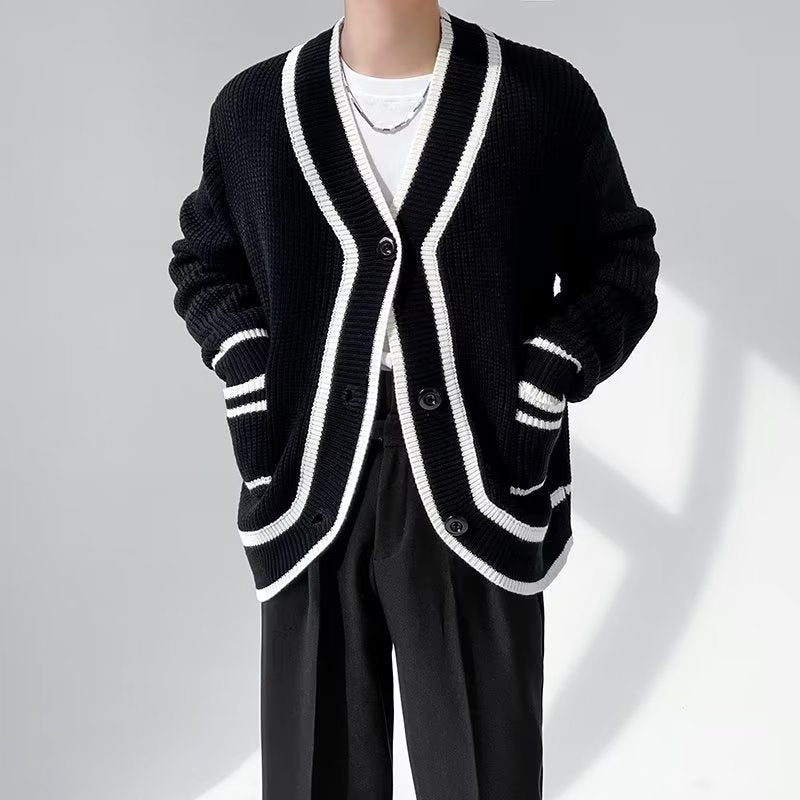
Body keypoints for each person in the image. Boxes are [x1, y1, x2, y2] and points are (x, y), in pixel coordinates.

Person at [167, 2, 660, 797]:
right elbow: (203, 262)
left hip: (480, 473)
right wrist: (251, 377)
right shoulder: (255, 108)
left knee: (484, 776)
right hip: (309, 476)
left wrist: (542, 382)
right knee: (314, 772)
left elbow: (621, 264)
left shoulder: (538, 96)